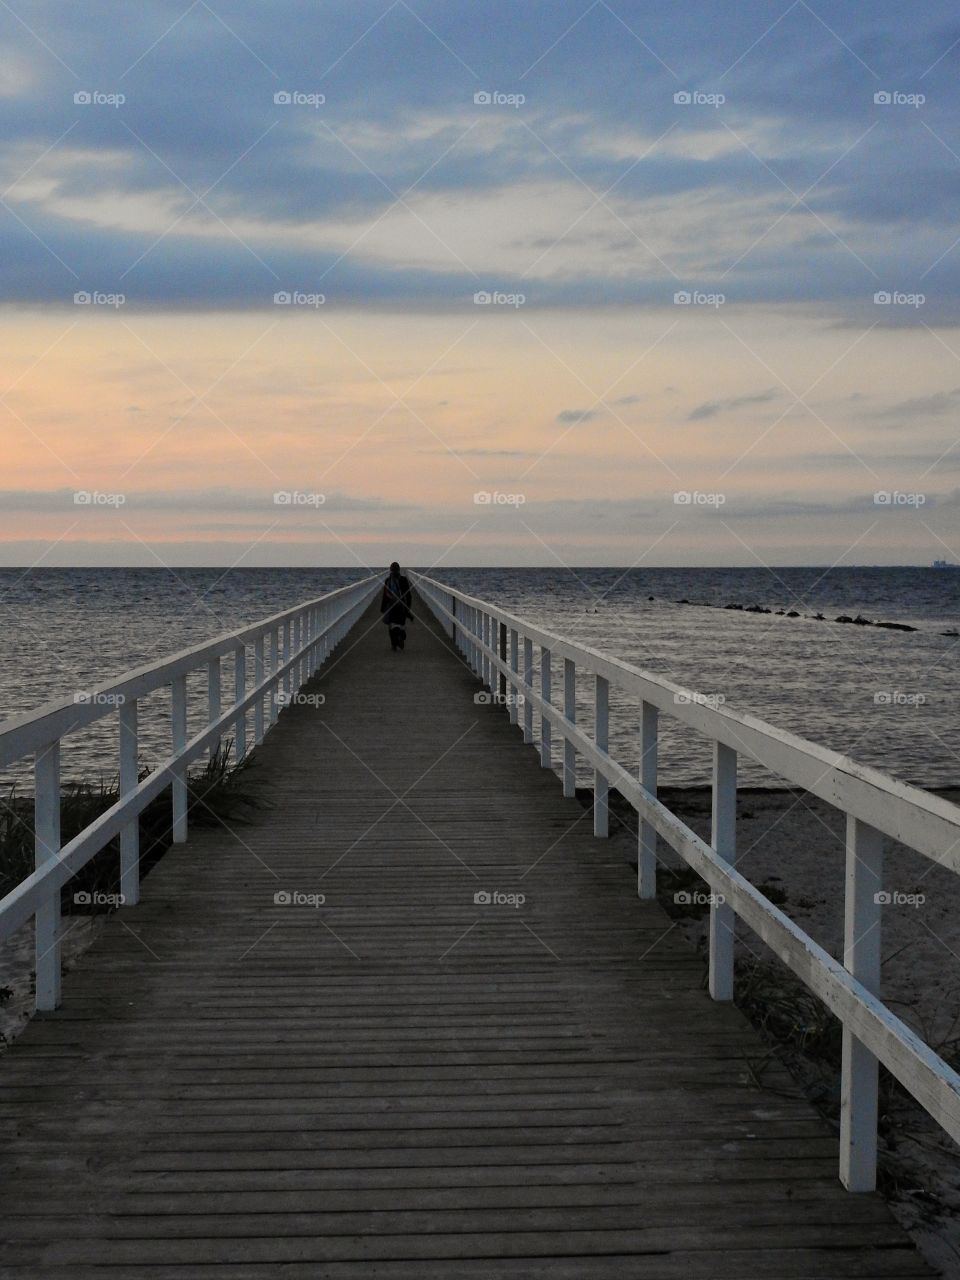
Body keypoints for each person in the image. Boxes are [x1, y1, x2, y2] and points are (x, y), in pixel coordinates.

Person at [380, 561, 413, 651]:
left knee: (391, 626)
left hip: (391, 606)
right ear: (399, 570)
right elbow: (408, 595)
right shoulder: (403, 580)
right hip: (401, 606)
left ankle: (394, 645)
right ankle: (401, 636)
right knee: (401, 624)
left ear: (390, 570)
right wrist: (408, 608)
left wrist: (383, 608)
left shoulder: (388, 581)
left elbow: (385, 595)